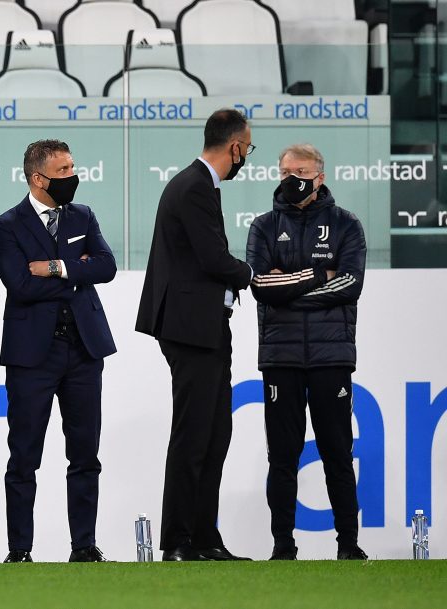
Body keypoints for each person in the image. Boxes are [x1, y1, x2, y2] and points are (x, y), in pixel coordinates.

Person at [134, 109, 254, 562]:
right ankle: (179, 541)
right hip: (191, 329)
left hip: (203, 327)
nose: (246, 156)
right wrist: (254, 275)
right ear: (236, 147)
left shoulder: (196, 184)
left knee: (214, 432)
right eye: (248, 148)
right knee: (193, 434)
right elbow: (213, 258)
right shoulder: (195, 186)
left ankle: (205, 537)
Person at [0, 140, 118, 564]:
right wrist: (78, 272)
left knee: (85, 454)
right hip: (32, 356)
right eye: (64, 170)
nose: (73, 177)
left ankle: (84, 545)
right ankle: (19, 550)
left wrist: (58, 267)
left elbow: (107, 266)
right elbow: (20, 286)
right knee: (24, 455)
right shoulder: (6, 224)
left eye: (72, 167)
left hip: (84, 349)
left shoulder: (83, 215)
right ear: (38, 178)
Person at [246, 143, 368, 561]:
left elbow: (350, 283)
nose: (289, 178)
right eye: (283, 172)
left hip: (332, 357)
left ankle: (348, 545)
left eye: (297, 171)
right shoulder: (263, 226)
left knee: (337, 452)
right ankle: (283, 545)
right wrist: (319, 274)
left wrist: (290, 289)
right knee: (282, 456)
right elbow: (261, 285)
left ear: (320, 176)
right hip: (280, 359)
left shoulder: (347, 225)